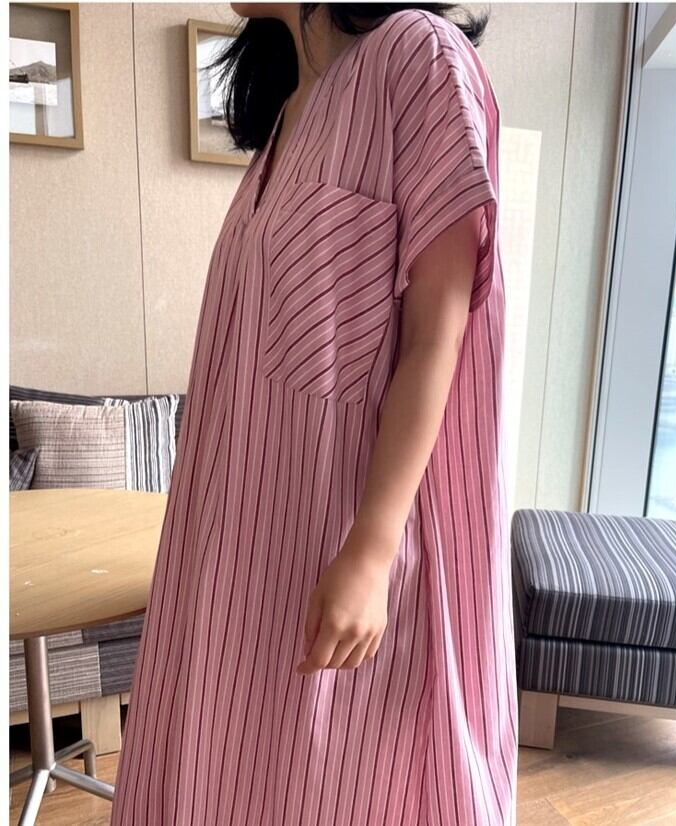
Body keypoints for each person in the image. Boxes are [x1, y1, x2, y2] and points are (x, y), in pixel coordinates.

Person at [110, 4, 518, 825]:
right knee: (230, 779)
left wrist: (370, 552)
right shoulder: (289, 116)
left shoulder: (414, 57)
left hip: (348, 554)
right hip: (235, 557)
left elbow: (437, 332)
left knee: (356, 790)